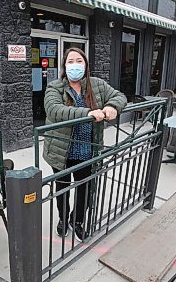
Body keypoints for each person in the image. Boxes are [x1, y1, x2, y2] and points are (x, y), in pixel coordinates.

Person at [43, 47, 127, 242]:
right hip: (61, 150)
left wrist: (112, 106)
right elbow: (54, 110)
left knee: (85, 189)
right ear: (64, 66)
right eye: (70, 61)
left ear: (86, 64)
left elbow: (120, 96)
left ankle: (77, 221)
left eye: (79, 61)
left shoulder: (96, 84)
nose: (75, 65)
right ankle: (63, 219)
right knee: (62, 189)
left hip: (87, 150)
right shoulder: (55, 87)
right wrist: (87, 113)